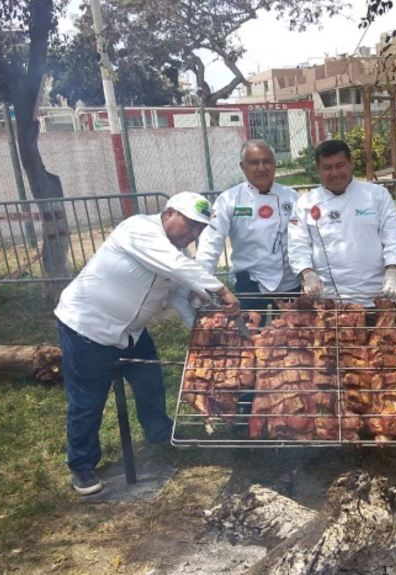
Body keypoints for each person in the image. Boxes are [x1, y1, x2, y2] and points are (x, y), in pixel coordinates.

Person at [54, 192, 240, 495]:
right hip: (87, 327)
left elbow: (181, 295)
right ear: (168, 213)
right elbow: (176, 266)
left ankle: (159, 434)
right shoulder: (138, 229)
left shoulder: (178, 256)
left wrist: (202, 331)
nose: (193, 234)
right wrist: (221, 290)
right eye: (190, 225)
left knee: (150, 383)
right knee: (87, 402)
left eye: (199, 230)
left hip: (131, 333)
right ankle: (81, 465)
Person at [287, 139, 396, 307]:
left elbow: (393, 236)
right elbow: (297, 244)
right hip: (327, 298)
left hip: (376, 294)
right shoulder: (305, 203)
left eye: (340, 165)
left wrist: (392, 271)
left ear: (351, 163)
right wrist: (307, 274)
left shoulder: (377, 195)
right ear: (318, 169)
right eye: (327, 168)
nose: (334, 173)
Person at [195, 140, 300, 312]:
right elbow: (211, 240)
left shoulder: (291, 197)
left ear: (274, 164)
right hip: (249, 282)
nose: (261, 168)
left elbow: (302, 238)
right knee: (250, 335)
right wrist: (199, 280)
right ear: (243, 167)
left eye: (267, 161)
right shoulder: (229, 199)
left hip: (288, 282)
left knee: (291, 334)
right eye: (254, 162)